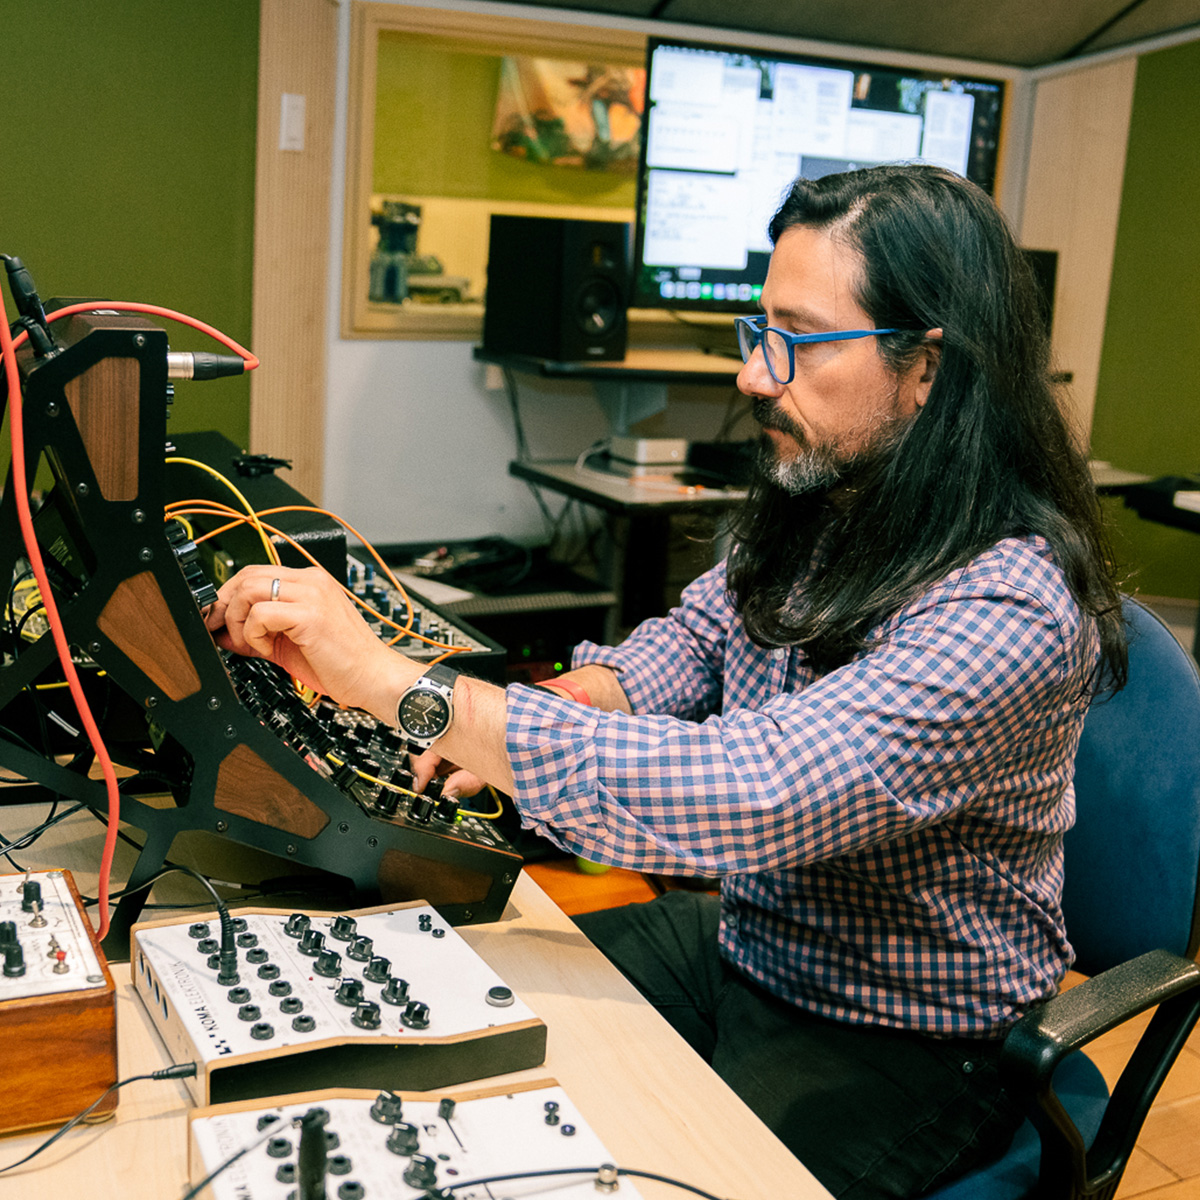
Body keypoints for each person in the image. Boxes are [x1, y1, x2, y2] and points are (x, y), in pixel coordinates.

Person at [205, 164, 1127, 1199]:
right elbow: (692, 638)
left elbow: (755, 793)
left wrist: (402, 685)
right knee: (440, 1019)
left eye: (799, 339)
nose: (755, 376)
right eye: (757, 330)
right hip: (746, 943)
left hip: (905, 1035)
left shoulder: (1009, 604)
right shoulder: (836, 492)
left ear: (925, 368)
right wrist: (562, 703)